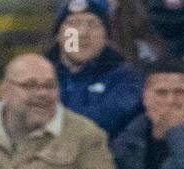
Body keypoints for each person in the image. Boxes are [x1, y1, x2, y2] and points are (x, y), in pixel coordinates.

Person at [48, 0, 143, 140]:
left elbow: (104, 121)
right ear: (58, 35)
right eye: (73, 24)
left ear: (106, 37)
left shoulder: (127, 79)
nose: (82, 33)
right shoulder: (38, 76)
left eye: (93, 24)